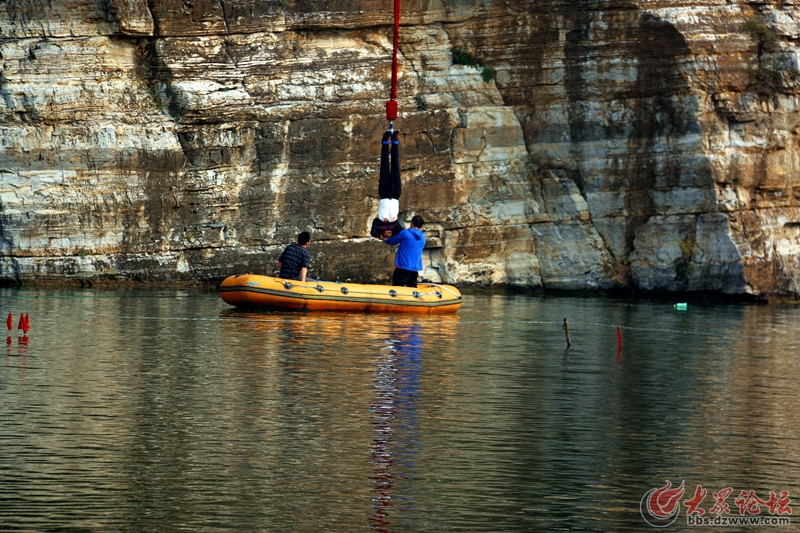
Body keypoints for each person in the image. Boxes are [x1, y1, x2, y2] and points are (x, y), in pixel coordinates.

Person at [370, 130, 404, 239]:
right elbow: (402, 232)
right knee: (395, 167)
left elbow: (373, 232)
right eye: (390, 234)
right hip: (395, 195)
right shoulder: (395, 226)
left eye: (387, 234)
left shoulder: (379, 223)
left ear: (383, 232)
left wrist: (380, 236)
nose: (388, 233)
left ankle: (385, 142)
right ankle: (395, 142)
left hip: (384, 194)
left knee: (384, 166)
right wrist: (395, 221)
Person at [383, 215, 425, 287]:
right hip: (414, 270)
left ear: (411, 223)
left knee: (397, 288)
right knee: (412, 290)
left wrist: (384, 239)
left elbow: (393, 241)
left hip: (402, 268)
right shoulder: (422, 237)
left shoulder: (405, 233)